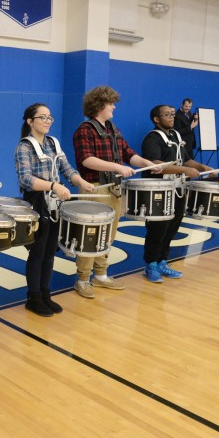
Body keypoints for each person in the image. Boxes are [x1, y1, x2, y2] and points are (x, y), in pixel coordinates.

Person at [72, 85, 161, 299]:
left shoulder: (112, 128)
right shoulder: (84, 130)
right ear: (100, 104)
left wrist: (148, 163)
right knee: (90, 236)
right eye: (111, 103)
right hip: (94, 189)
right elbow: (86, 160)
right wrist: (117, 167)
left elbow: (129, 154)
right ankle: (83, 279)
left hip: (113, 189)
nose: (114, 107)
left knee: (108, 235)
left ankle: (101, 275)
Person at [15, 103, 94, 316]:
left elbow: (67, 169)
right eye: (42, 117)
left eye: (50, 117)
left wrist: (81, 182)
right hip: (37, 201)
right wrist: (53, 186)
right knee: (38, 252)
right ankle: (34, 297)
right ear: (30, 121)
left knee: (50, 251)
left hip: (55, 202)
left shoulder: (53, 143)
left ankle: (46, 294)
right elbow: (25, 178)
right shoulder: (24, 146)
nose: (47, 121)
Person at [141, 105, 214, 282]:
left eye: (172, 114)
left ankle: (162, 261)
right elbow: (155, 164)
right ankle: (150, 265)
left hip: (178, 189)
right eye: (167, 115)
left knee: (172, 227)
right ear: (156, 119)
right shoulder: (152, 138)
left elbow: (186, 159)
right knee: (157, 229)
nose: (171, 118)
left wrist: (203, 167)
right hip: (159, 191)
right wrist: (183, 170)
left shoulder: (176, 135)